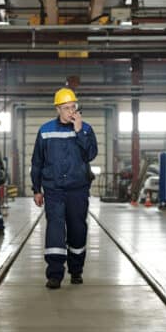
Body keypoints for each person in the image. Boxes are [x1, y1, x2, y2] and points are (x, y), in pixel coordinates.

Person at [31, 87, 98, 289]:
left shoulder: (85, 129)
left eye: (74, 107)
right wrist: (36, 189)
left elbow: (91, 154)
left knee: (78, 230)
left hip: (78, 189)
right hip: (54, 190)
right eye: (67, 108)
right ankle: (54, 274)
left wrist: (79, 132)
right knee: (55, 230)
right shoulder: (45, 131)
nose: (71, 112)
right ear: (58, 109)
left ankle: (76, 270)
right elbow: (37, 162)